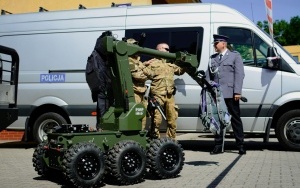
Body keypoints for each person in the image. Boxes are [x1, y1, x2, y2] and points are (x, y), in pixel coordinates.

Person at [208, 34, 246, 155]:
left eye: (216, 43)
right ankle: (218, 145)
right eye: (214, 44)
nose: (214, 46)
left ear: (223, 44)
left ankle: (240, 145)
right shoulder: (212, 58)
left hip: (231, 93)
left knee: (235, 119)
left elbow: (239, 74)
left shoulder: (235, 56)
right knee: (218, 120)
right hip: (217, 95)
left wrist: (237, 91)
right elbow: (208, 76)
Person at [143, 43, 184, 139]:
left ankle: (171, 140)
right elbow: (141, 72)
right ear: (159, 49)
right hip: (157, 95)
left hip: (169, 95)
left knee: (172, 119)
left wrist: (185, 63)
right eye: (166, 49)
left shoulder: (170, 64)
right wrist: (145, 64)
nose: (168, 51)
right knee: (156, 119)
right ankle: (154, 139)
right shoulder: (152, 64)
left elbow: (180, 71)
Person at [92, 31, 114, 131]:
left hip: (105, 88)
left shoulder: (98, 54)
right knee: (104, 111)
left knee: (104, 111)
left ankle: (102, 129)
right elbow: (99, 73)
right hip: (104, 89)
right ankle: (102, 131)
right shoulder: (99, 56)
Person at [126, 38, 149, 130]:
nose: (136, 47)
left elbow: (148, 71)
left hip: (141, 92)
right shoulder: (128, 60)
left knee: (142, 115)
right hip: (134, 92)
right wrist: (147, 74)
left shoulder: (138, 61)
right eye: (133, 45)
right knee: (135, 115)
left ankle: (141, 135)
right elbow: (139, 76)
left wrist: (146, 71)